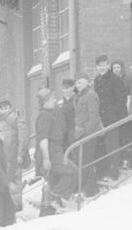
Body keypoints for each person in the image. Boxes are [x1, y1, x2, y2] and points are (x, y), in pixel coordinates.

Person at [35, 87, 77, 216]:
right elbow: (43, 139)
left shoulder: (48, 114)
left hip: (54, 150)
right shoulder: (45, 116)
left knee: (52, 181)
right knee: (73, 171)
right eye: (52, 98)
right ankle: (54, 197)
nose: (55, 100)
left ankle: (47, 213)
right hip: (51, 151)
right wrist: (46, 158)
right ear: (46, 101)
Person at [93, 54, 127, 180]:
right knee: (102, 146)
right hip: (101, 118)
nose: (102, 68)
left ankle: (113, 173)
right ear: (96, 67)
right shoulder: (97, 80)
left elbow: (121, 98)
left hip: (112, 118)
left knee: (112, 145)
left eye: (104, 65)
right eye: (99, 65)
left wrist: (113, 113)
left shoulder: (114, 79)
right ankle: (103, 172)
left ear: (108, 65)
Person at [74, 72, 102, 197]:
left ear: (86, 81)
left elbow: (94, 117)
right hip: (80, 133)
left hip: (88, 134)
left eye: (80, 82)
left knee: (86, 160)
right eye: (76, 82)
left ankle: (91, 189)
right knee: (84, 161)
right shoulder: (79, 96)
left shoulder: (91, 95)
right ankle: (89, 187)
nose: (77, 85)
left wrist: (88, 134)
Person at [0, 98, 29, 208]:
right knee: (8, 182)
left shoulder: (16, 118)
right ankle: (9, 207)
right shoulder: (1, 121)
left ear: (10, 108)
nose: (3, 111)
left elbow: (23, 138)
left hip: (14, 157)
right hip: (4, 158)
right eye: (1, 109)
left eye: (5, 108)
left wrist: (20, 155)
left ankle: (16, 206)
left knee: (15, 182)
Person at [111, 60, 132, 169]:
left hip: (125, 110)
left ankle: (129, 160)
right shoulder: (110, 80)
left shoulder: (127, 79)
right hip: (115, 112)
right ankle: (120, 160)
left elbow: (131, 93)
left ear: (122, 68)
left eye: (118, 67)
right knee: (118, 137)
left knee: (127, 136)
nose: (116, 69)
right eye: (114, 67)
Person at [59, 78, 76, 152]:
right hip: (65, 134)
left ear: (73, 87)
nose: (65, 90)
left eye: (67, 88)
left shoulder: (76, 100)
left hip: (73, 133)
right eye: (64, 88)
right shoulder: (64, 102)